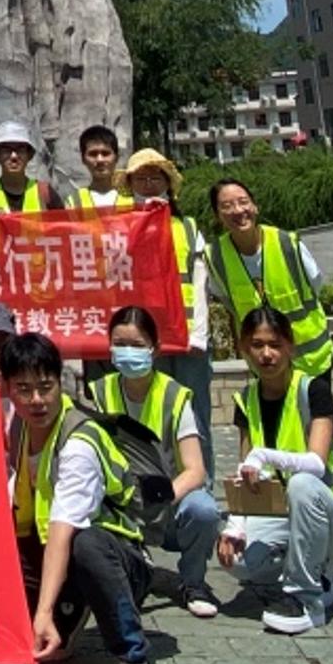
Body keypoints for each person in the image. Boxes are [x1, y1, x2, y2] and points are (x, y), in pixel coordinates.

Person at [3, 332, 161, 664]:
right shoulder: (18, 426)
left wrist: (41, 613)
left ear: (61, 382)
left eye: (45, 387)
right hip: (54, 552)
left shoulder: (79, 443)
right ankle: (68, 614)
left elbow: (62, 528)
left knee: (86, 545)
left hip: (118, 560)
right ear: (8, 390)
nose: (37, 400)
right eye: (24, 389)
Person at [219, 307, 333, 635]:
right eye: (257, 345)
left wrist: (264, 455)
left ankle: (307, 600)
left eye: (275, 344)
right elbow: (245, 472)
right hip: (285, 512)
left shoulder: (313, 391)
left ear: (290, 347)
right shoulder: (247, 399)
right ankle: (310, 566)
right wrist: (235, 526)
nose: (267, 354)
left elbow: (316, 463)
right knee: (238, 560)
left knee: (303, 484)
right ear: (244, 348)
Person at [89, 307, 220, 619]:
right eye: (120, 344)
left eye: (136, 345)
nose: (128, 352)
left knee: (203, 509)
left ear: (155, 349)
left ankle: (193, 584)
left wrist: (159, 498)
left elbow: (196, 470)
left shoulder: (175, 395)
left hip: (167, 504)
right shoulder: (99, 392)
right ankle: (129, 568)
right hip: (120, 507)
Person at [117, 149, 214, 479]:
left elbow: (199, 281)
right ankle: (157, 489)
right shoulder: (121, 226)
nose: (148, 184)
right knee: (150, 415)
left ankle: (200, 488)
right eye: (141, 178)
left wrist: (199, 334)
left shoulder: (187, 226)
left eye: (155, 177)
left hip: (186, 338)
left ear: (167, 184)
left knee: (195, 417)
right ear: (131, 184)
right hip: (146, 339)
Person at [206, 178, 331, 376]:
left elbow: (315, 284)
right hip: (264, 368)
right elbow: (228, 304)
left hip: (311, 362)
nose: (238, 210)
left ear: (255, 207)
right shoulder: (215, 257)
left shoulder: (287, 244)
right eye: (227, 206)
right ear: (217, 215)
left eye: (243, 202)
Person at [0, 121, 63, 213]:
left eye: (20, 150)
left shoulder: (44, 193)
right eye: (6, 150)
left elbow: (63, 221)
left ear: (28, 155)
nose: (14, 156)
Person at [66, 126, 133, 211]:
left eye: (105, 153)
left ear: (117, 157)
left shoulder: (132, 198)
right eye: (93, 154)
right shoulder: (74, 201)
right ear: (83, 159)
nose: (99, 160)